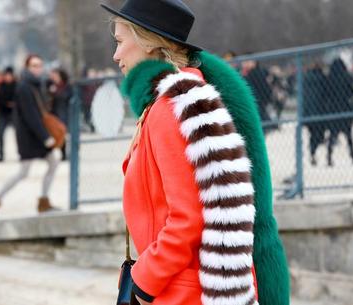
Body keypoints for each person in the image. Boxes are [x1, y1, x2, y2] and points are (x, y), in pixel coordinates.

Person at [101, 1, 290, 305]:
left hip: (179, 291)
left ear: (148, 43)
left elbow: (187, 217)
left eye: (121, 42)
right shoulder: (184, 100)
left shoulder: (170, 108)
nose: (116, 55)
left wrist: (144, 280)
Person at [0, 54, 60, 215]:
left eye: (39, 65)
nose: (37, 68)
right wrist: (45, 137)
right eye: (34, 65)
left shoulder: (34, 84)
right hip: (29, 137)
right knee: (25, 171)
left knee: (49, 163)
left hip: (32, 136)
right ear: (27, 67)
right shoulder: (25, 87)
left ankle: (41, 201)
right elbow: (31, 115)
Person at [325, 58, 353, 166]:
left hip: (333, 109)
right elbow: (352, 92)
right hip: (345, 108)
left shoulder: (329, 78)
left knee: (332, 135)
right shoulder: (347, 77)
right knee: (349, 135)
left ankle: (329, 157)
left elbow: (326, 93)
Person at [303, 63, 327, 165]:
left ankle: (312, 150)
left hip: (309, 111)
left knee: (312, 133)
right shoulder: (323, 79)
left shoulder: (306, 79)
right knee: (319, 133)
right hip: (320, 111)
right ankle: (315, 146)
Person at [49, 68, 72, 160]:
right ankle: (61, 153)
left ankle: (67, 153)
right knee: (58, 134)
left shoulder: (67, 86)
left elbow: (69, 97)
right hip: (55, 114)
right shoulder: (51, 86)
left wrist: (56, 93)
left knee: (65, 134)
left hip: (65, 113)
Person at [0, 66, 17, 162]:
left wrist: (13, 104)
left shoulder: (17, 85)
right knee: (0, 134)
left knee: (19, 134)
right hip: (3, 113)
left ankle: (22, 153)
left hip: (14, 113)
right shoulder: (1, 86)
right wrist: (6, 103)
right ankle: (1, 154)